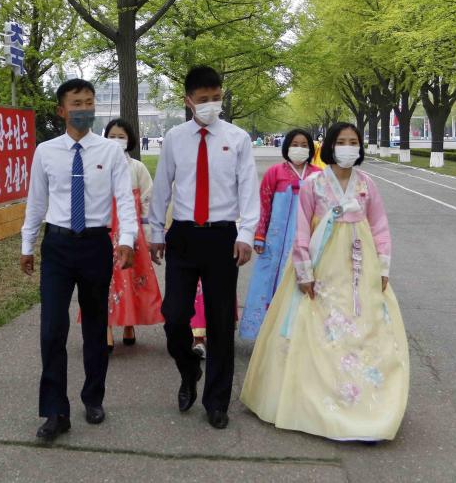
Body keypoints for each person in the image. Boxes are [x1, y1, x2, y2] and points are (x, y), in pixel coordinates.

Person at [240, 122, 409, 441]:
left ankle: (365, 400)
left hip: (360, 268)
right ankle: (312, 397)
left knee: (364, 327)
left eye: (353, 142)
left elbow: (380, 228)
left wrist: (383, 268)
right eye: (341, 141)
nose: (348, 147)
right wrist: (304, 273)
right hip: (321, 267)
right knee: (319, 327)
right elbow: (302, 231)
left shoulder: (367, 185)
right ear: (330, 146)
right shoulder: (314, 185)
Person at [21, 79, 137, 442]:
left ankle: (93, 397)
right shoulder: (46, 151)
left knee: (94, 327)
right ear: (61, 110)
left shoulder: (111, 152)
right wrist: (27, 245)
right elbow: (36, 202)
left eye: (89, 102)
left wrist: (128, 240)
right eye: (76, 103)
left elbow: (126, 199)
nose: (84, 108)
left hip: (94, 246)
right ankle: (56, 411)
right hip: (56, 245)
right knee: (52, 329)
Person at [148, 65, 260, 430]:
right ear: (188, 101)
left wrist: (245, 234)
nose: (211, 104)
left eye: (216, 98)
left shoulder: (238, 138)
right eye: (203, 99)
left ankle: (216, 401)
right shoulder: (175, 138)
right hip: (182, 234)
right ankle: (188, 368)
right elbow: (162, 186)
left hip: (222, 237)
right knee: (175, 315)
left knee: (220, 321)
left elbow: (248, 190)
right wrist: (155, 232)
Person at [239, 129, 321, 341]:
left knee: (301, 283)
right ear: (286, 146)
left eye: (304, 145)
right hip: (274, 243)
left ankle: (298, 336)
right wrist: (259, 235)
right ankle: (264, 335)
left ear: (311, 149)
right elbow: (264, 204)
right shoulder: (275, 173)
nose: (300, 149)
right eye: (295, 144)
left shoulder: (318, 176)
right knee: (267, 283)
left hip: (306, 243)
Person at [101, 118, 162, 351]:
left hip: (131, 234)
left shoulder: (137, 168)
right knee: (104, 281)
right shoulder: (98, 166)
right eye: (112, 136)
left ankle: (129, 324)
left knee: (130, 280)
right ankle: (105, 327)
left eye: (121, 136)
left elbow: (148, 201)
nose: (117, 141)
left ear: (130, 140)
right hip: (104, 234)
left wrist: (146, 234)